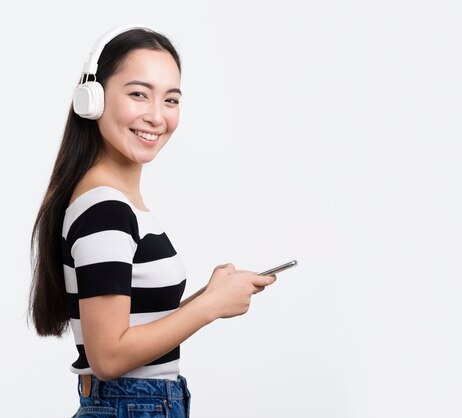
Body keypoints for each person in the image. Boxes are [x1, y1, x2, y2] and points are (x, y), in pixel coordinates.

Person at [28, 24, 276, 417]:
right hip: (132, 406)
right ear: (92, 99)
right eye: (139, 94)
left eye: (171, 100)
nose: (157, 116)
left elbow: (134, 328)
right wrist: (209, 307)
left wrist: (211, 295)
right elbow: (108, 356)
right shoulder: (104, 209)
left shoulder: (115, 203)